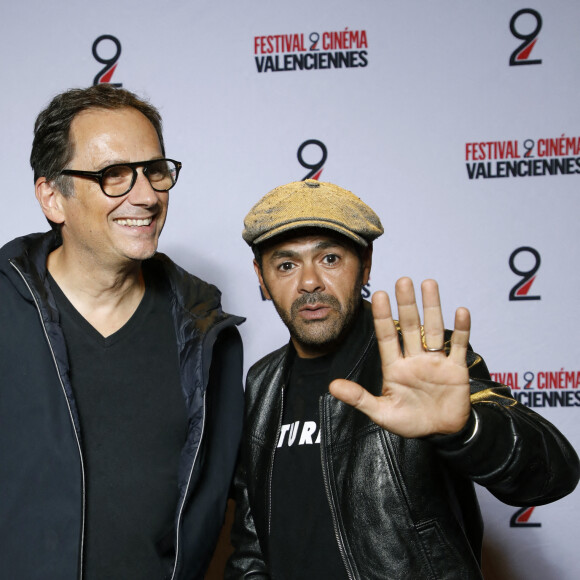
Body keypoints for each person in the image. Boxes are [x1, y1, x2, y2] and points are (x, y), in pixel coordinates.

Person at [226, 179, 580, 579]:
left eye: (330, 259)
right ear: (261, 276)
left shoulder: (426, 359)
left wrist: (466, 430)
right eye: (286, 264)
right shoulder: (263, 383)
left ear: (366, 263)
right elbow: (252, 541)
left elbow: (552, 475)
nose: (310, 283)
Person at [0, 84, 244, 579]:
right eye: (114, 175)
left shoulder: (207, 335)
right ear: (52, 197)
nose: (148, 195)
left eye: (155, 171)